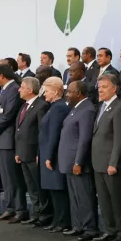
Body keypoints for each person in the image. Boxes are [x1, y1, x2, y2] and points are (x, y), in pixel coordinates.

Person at [92, 74, 121, 241]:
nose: (100, 90)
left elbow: (120, 138)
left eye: (104, 87)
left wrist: (113, 162)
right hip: (98, 162)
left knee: (117, 200)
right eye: (99, 87)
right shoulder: (102, 106)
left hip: (111, 163)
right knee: (105, 200)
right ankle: (110, 229)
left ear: (114, 88)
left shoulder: (119, 107)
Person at [59, 80, 99, 241]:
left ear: (79, 93)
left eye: (70, 91)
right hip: (69, 160)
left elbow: (84, 139)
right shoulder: (75, 109)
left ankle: (90, 228)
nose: (67, 94)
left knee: (84, 196)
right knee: (74, 196)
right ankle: (78, 226)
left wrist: (78, 162)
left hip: (78, 162)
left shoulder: (87, 110)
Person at [0, 63, 26, 221]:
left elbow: (8, 114)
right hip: (1, 138)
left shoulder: (13, 90)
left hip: (8, 139)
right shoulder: (5, 91)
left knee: (13, 177)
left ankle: (20, 209)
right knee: (6, 178)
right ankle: (10, 207)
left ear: (2, 76)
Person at [13, 77, 49, 226]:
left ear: (30, 89)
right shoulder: (24, 106)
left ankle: (45, 214)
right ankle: (36, 212)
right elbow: (20, 130)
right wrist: (17, 152)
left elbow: (42, 132)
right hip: (23, 152)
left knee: (39, 185)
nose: (19, 89)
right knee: (31, 187)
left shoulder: (41, 106)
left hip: (34, 153)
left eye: (21, 87)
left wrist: (39, 153)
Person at [40, 78, 71, 232]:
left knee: (58, 189)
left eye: (46, 91)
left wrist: (49, 156)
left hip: (54, 155)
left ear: (55, 91)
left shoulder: (58, 108)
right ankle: (57, 219)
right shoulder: (53, 107)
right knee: (53, 189)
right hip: (48, 152)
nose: (44, 94)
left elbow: (54, 134)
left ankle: (63, 221)